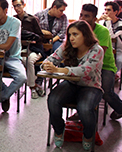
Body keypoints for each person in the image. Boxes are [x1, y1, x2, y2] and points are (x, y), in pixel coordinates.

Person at [44, 20, 104, 151]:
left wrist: (59, 70)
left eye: (75, 34)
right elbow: (51, 58)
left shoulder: (96, 50)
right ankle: (59, 131)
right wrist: (47, 65)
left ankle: (88, 135)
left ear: (85, 35)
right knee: (53, 100)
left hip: (91, 86)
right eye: (70, 34)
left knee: (85, 108)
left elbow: (85, 70)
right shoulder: (67, 46)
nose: (71, 38)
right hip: (71, 83)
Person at [79, 4, 122, 120]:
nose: (82, 19)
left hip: (105, 66)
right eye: (81, 15)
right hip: (86, 64)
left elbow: (99, 54)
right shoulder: (78, 29)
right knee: (79, 87)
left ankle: (120, 109)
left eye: (86, 16)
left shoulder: (102, 31)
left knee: (105, 91)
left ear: (94, 19)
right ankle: (81, 112)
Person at [0, 0, 26, 112]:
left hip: (12, 57)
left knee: (22, 78)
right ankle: (5, 94)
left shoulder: (15, 22)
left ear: (5, 10)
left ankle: (0, 98)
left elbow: (7, 46)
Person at [12, 0, 45, 99]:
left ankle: (32, 87)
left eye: (18, 5)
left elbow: (41, 37)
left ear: (23, 5)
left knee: (29, 60)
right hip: (21, 49)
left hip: (34, 48)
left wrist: (32, 38)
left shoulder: (32, 19)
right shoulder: (13, 20)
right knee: (24, 60)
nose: (17, 8)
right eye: (14, 6)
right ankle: (34, 86)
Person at [99, 1, 122, 75]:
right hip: (107, 48)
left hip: (119, 49)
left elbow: (112, 36)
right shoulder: (104, 23)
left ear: (116, 12)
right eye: (105, 10)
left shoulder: (121, 24)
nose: (106, 12)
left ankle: (112, 75)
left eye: (109, 10)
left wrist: (108, 22)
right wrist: (98, 20)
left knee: (120, 61)